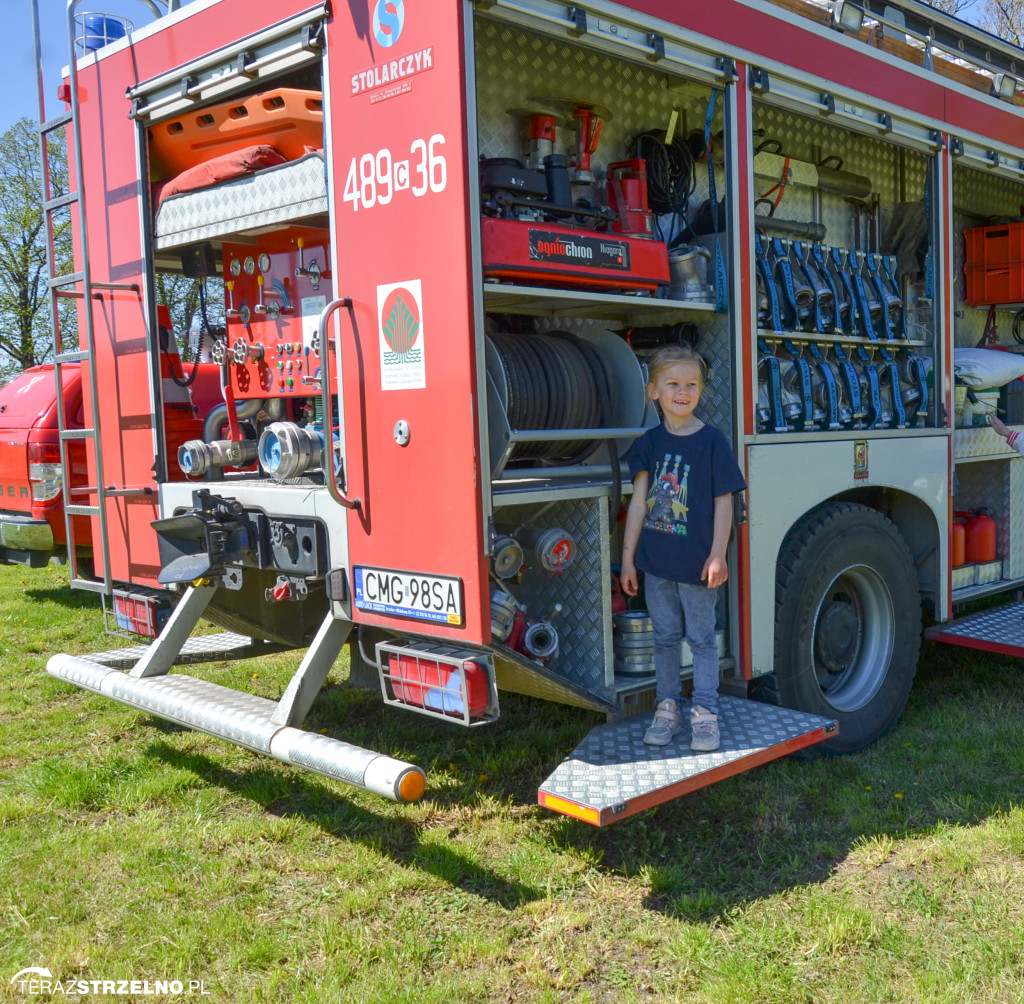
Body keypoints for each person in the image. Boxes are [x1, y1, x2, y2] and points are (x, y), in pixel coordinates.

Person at [620, 344, 746, 751]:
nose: (682, 391)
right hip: (657, 565)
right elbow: (639, 505)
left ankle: (705, 714)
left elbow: (724, 501)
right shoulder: (648, 443)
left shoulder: (712, 442)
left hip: (697, 567)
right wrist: (628, 561)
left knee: (703, 639)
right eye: (672, 383)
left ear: (701, 391)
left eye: (691, 384)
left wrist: (717, 554)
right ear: (653, 391)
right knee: (665, 638)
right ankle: (667, 708)